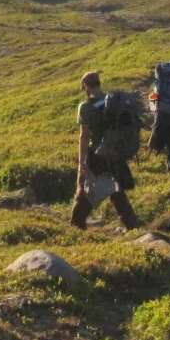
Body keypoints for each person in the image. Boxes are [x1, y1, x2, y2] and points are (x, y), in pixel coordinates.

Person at [70, 70, 143, 230]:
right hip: (116, 153)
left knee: (85, 191)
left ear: (85, 87)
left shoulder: (86, 107)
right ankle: (131, 226)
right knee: (117, 192)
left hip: (98, 155)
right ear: (99, 84)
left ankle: (76, 225)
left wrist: (81, 163)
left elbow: (84, 136)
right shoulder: (113, 101)